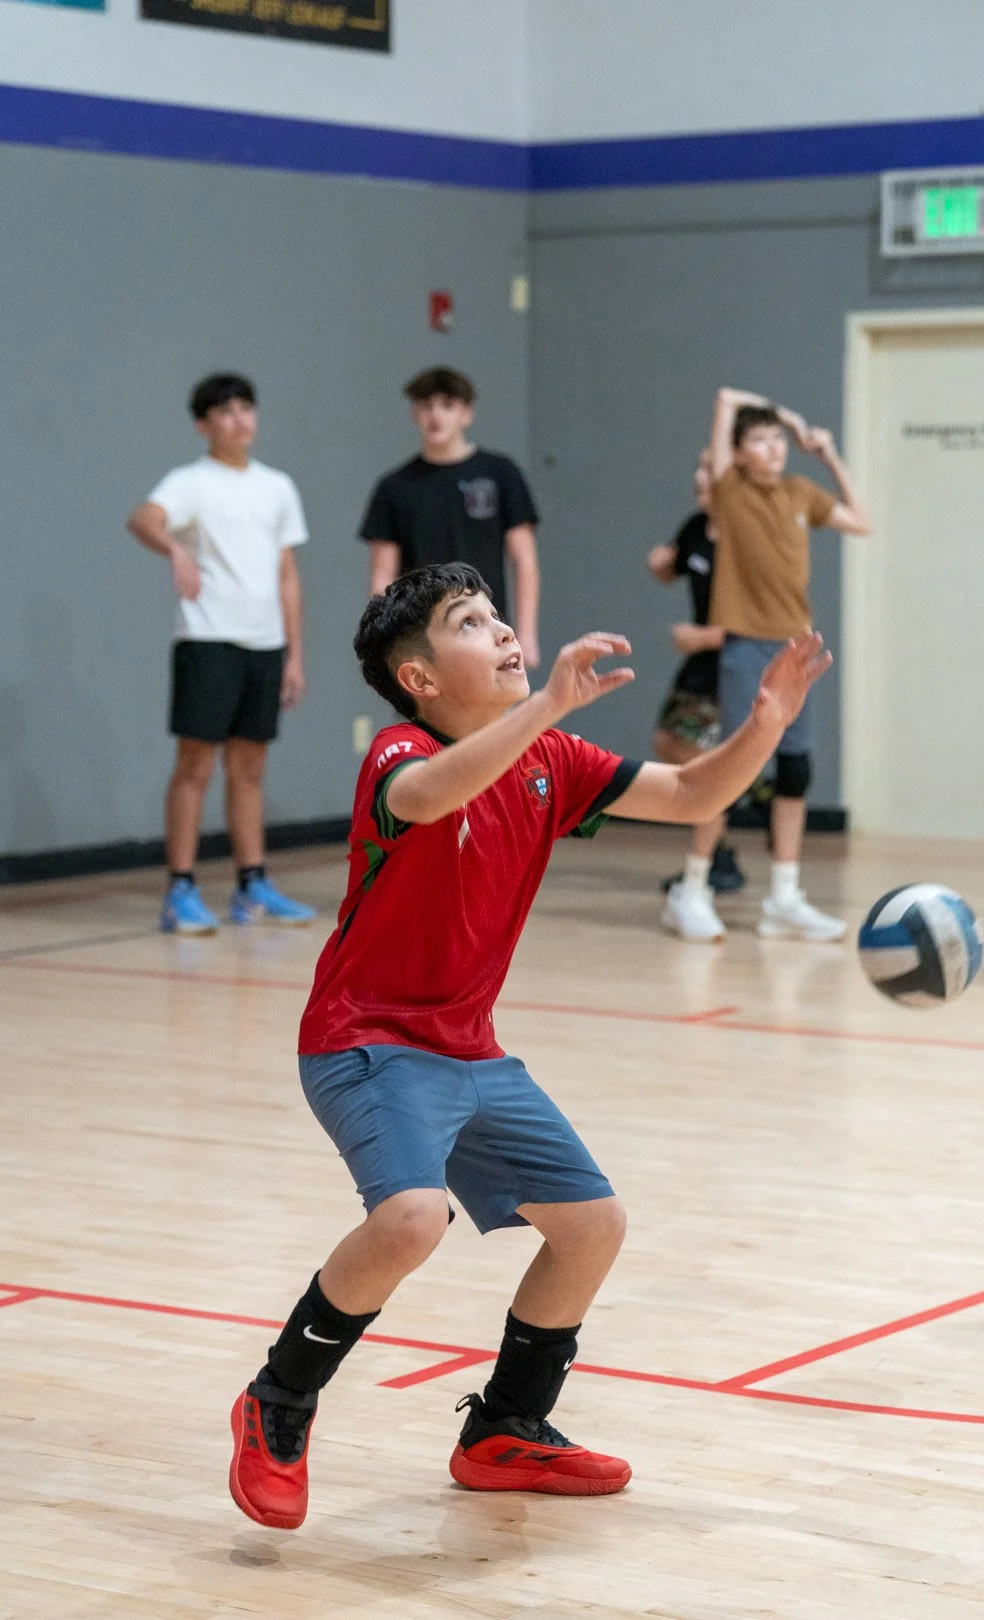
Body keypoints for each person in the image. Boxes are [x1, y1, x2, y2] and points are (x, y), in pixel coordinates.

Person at [227, 562, 830, 1525]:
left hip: (470, 1050)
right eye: (473, 622)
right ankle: (277, 1400)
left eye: (499, 615)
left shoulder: (551, 761)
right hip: (366, 1042)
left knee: (593, 1224)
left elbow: (685, 793)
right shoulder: (399, 750)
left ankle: (504, 1429)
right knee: (412, 1218)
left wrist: (765, 721)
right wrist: (548, 702)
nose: (504, 631)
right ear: (420, 675)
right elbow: (427, 798)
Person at [665, 388, 871, 943]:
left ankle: (784, 897)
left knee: (796, 772)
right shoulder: (730, 491)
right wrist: (788, 413)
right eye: (760, 439)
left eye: (778, 440)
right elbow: (727, 399)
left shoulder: (802, 492)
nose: (774, 447)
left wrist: (825, 454)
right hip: (747, 649)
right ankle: (692, 887)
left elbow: (861, 519)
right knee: (732, 774)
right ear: (738, 452)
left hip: (795, 647)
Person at [127, 373, 316, 936]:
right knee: (196, 765)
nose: (238, 419)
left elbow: (287, 574)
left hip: (265, 645)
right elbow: (143, 518)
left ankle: (252, 884)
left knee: (250, 768)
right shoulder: (191, 482)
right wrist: (175, 553)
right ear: (203, 425)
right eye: (225, 411)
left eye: (245, 408)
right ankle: (180, 888)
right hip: (208, 641)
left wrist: (294, 655)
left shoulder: (278, 486)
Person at [360, 366, 541, 666]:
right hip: (421, 639)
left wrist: (527, 635)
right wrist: (385, 644)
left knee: (499, 712)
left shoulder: (500, 474)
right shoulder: (394, 487)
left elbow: (524, 561)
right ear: (414, 414)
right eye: (427, 406)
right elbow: (383, 576)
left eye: (447, 405)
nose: (436, 415)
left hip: (489, 631)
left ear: (467, 413)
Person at [647, 450, 747, 943]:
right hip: (699, 665)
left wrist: (705, 637)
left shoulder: (750, 537)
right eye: (699, 467)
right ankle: (719, 849)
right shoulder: (694, 527)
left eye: (710, 469)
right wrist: (662, 566)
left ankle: (697, 883)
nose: (699, 476)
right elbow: (674, 567)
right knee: (668, 742)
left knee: (712, 771)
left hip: (734, 661)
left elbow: (766, 617)